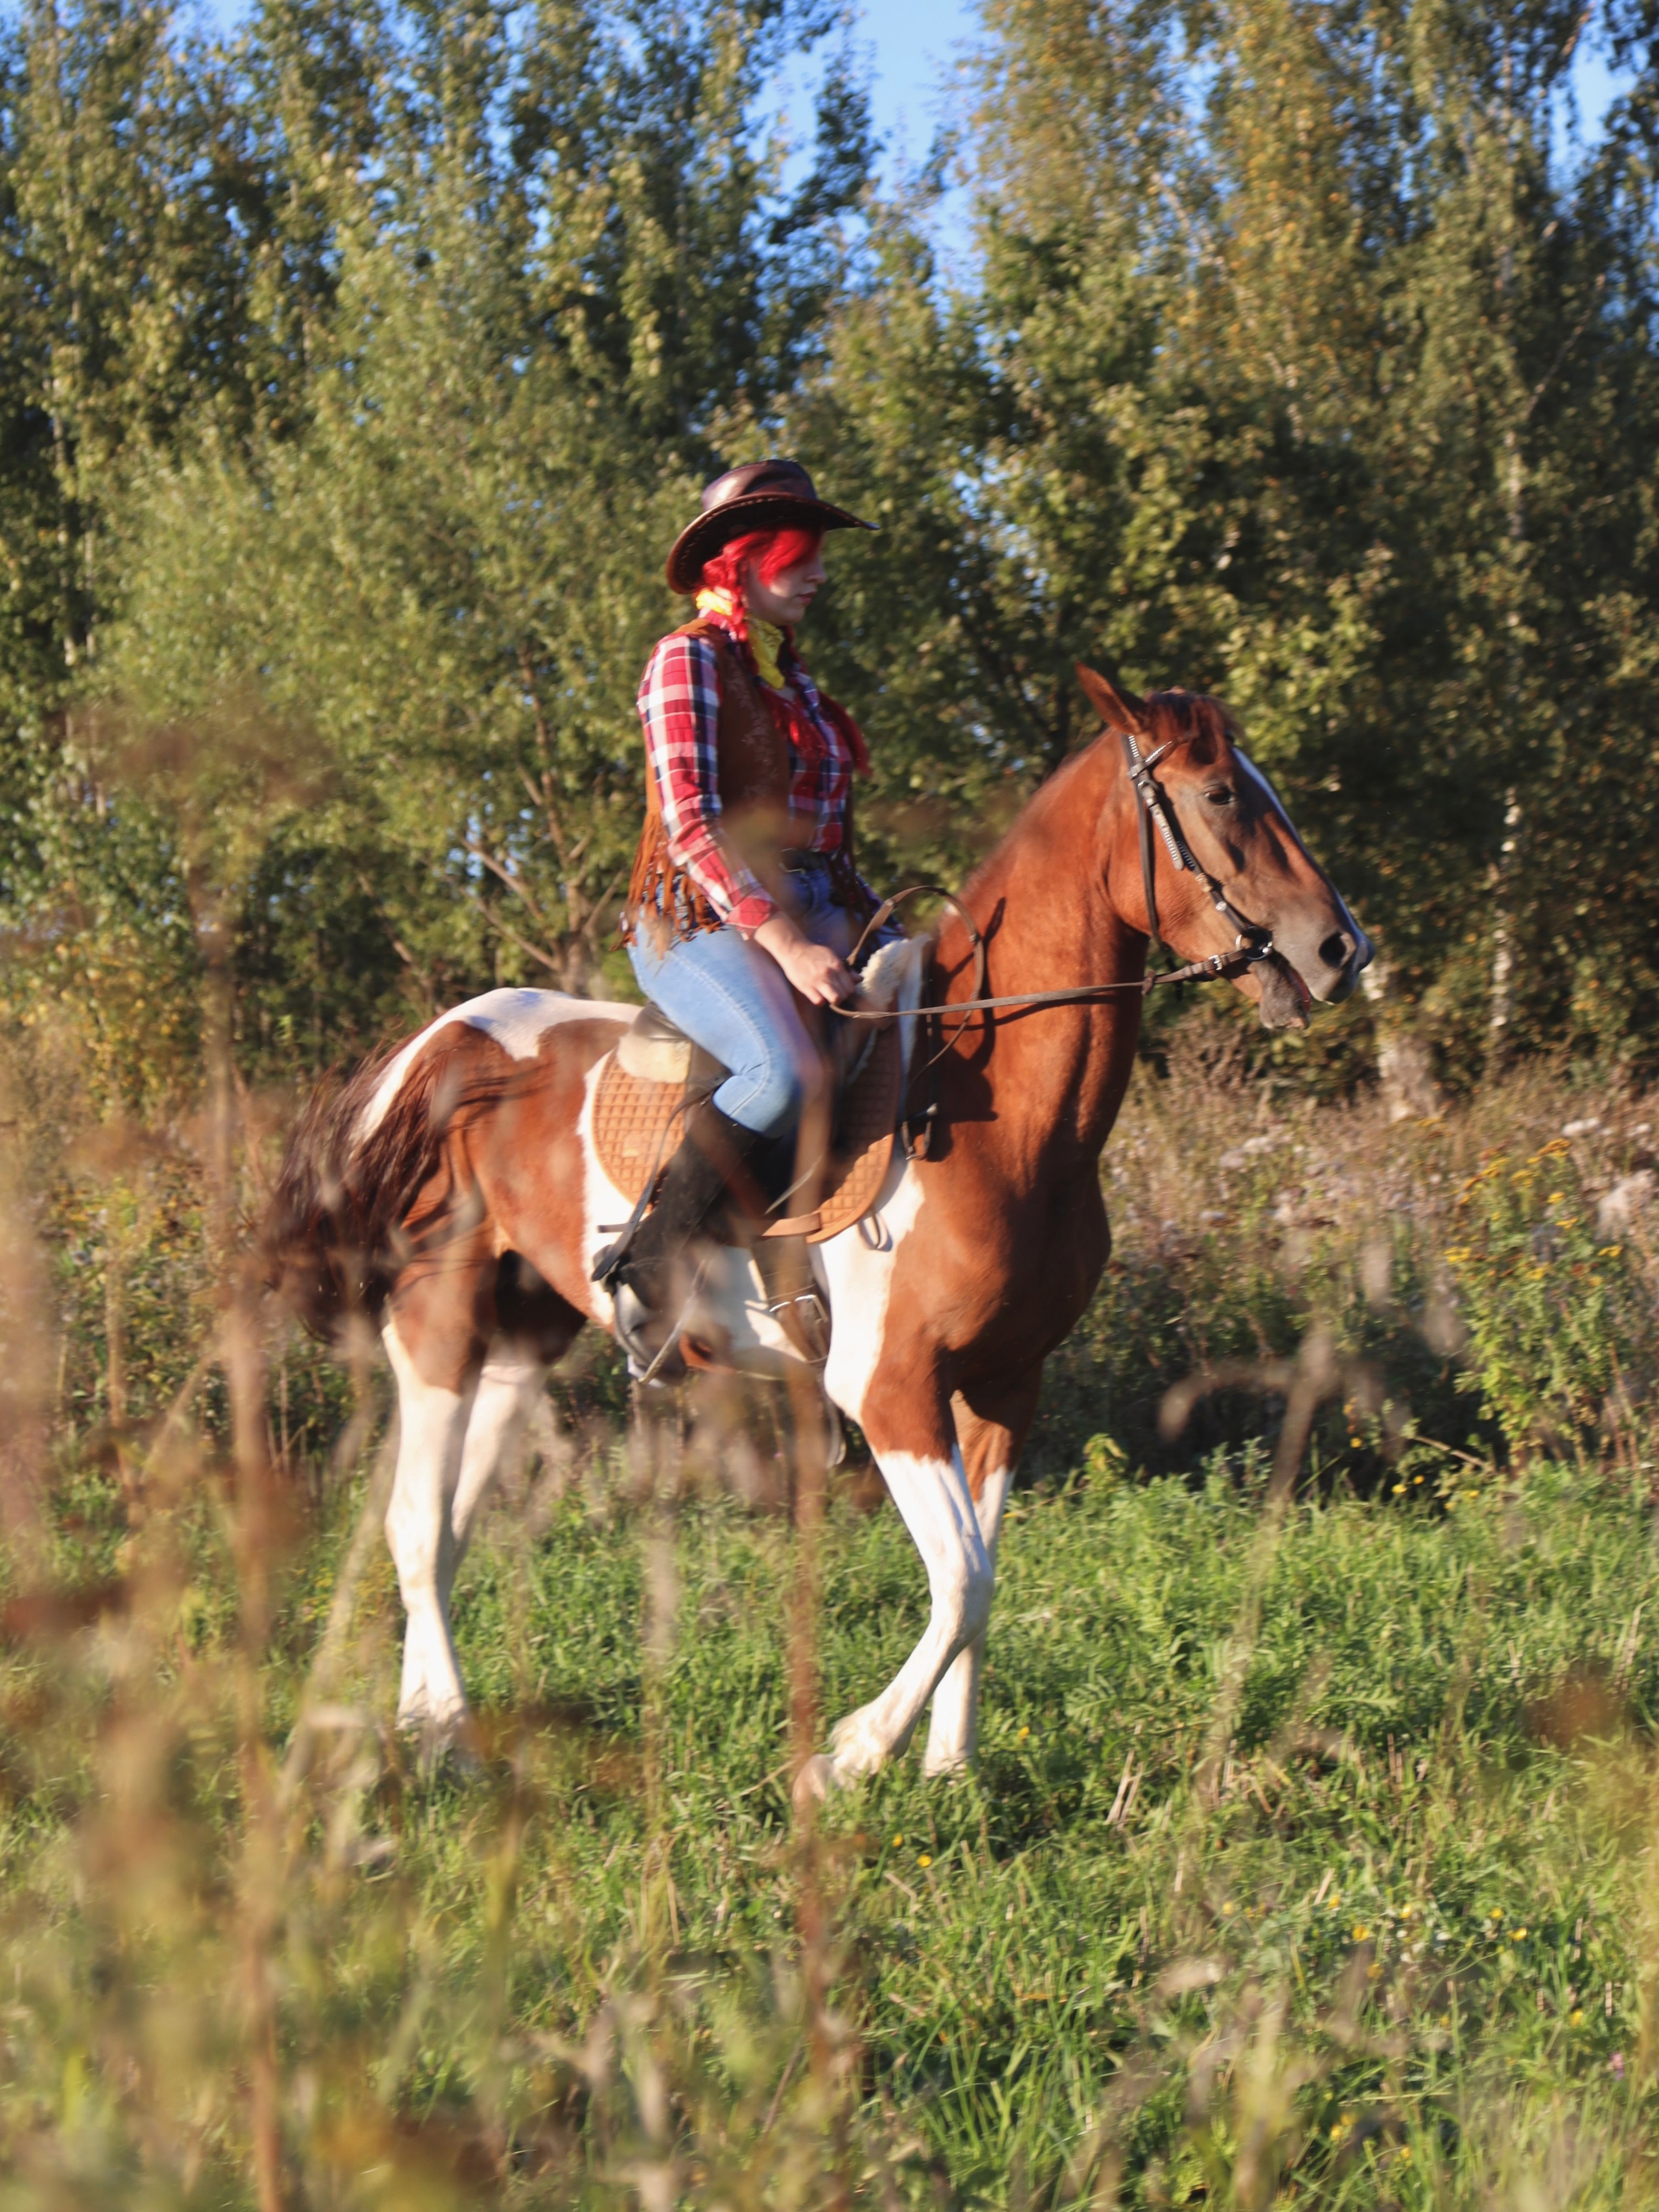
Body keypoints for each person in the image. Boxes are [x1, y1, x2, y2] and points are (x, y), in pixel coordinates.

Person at [593, 458, 899, 1342]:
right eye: (803, 555)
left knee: (917, 1021)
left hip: (809, 900)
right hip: (695, 914)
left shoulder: (799, 685)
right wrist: (791, 946)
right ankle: (649, 1260)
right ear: (747, 557)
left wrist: (903, 931)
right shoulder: (684, 662)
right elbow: (692, 825)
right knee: (787, 1070)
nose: (821, 574)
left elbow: (832, 848)